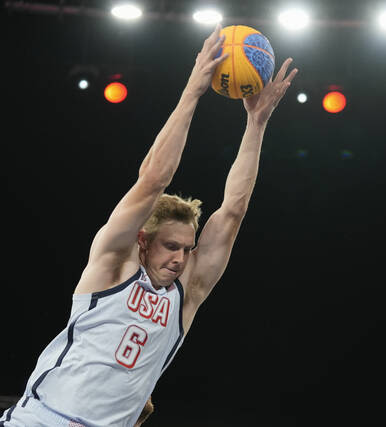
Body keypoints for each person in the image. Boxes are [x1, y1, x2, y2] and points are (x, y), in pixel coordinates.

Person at [0, 23, 297, 427]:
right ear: (143, 240)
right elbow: (154, 179)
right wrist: (193, 90)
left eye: (187, 249)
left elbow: (232, 211)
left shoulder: (185, 293)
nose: (180, 258)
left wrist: (256, 124)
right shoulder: (112, 265)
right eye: (171, 246)